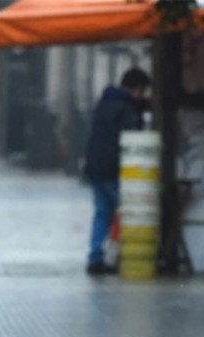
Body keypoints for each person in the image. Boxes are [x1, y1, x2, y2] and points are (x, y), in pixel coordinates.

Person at [83, 67, 151, 275]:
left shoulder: (105, 102)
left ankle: (95, 257)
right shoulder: (127, 109)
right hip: (114, 169)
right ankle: (118, 257)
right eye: (142, 91)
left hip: (96, 168)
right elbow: (132, 139)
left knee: (102, 213)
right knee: (127, 212)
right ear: (137, 89)